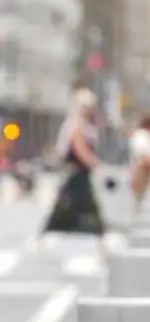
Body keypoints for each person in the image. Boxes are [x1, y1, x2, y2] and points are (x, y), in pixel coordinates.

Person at [37, 89, 107, 254]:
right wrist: (96, 165)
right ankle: (46, 235)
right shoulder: (74, 124)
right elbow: (80, 149)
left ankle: (100, 235)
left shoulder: (88, 124)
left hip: (82, 173)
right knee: (74, 204)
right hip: (76, 172)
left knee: (75, 204)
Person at [129, 112, 150, 213]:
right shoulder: (142, 136)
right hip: (141, 178)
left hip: (145, 180)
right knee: (141, 208)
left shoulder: (148, 137)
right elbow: (144, 158)